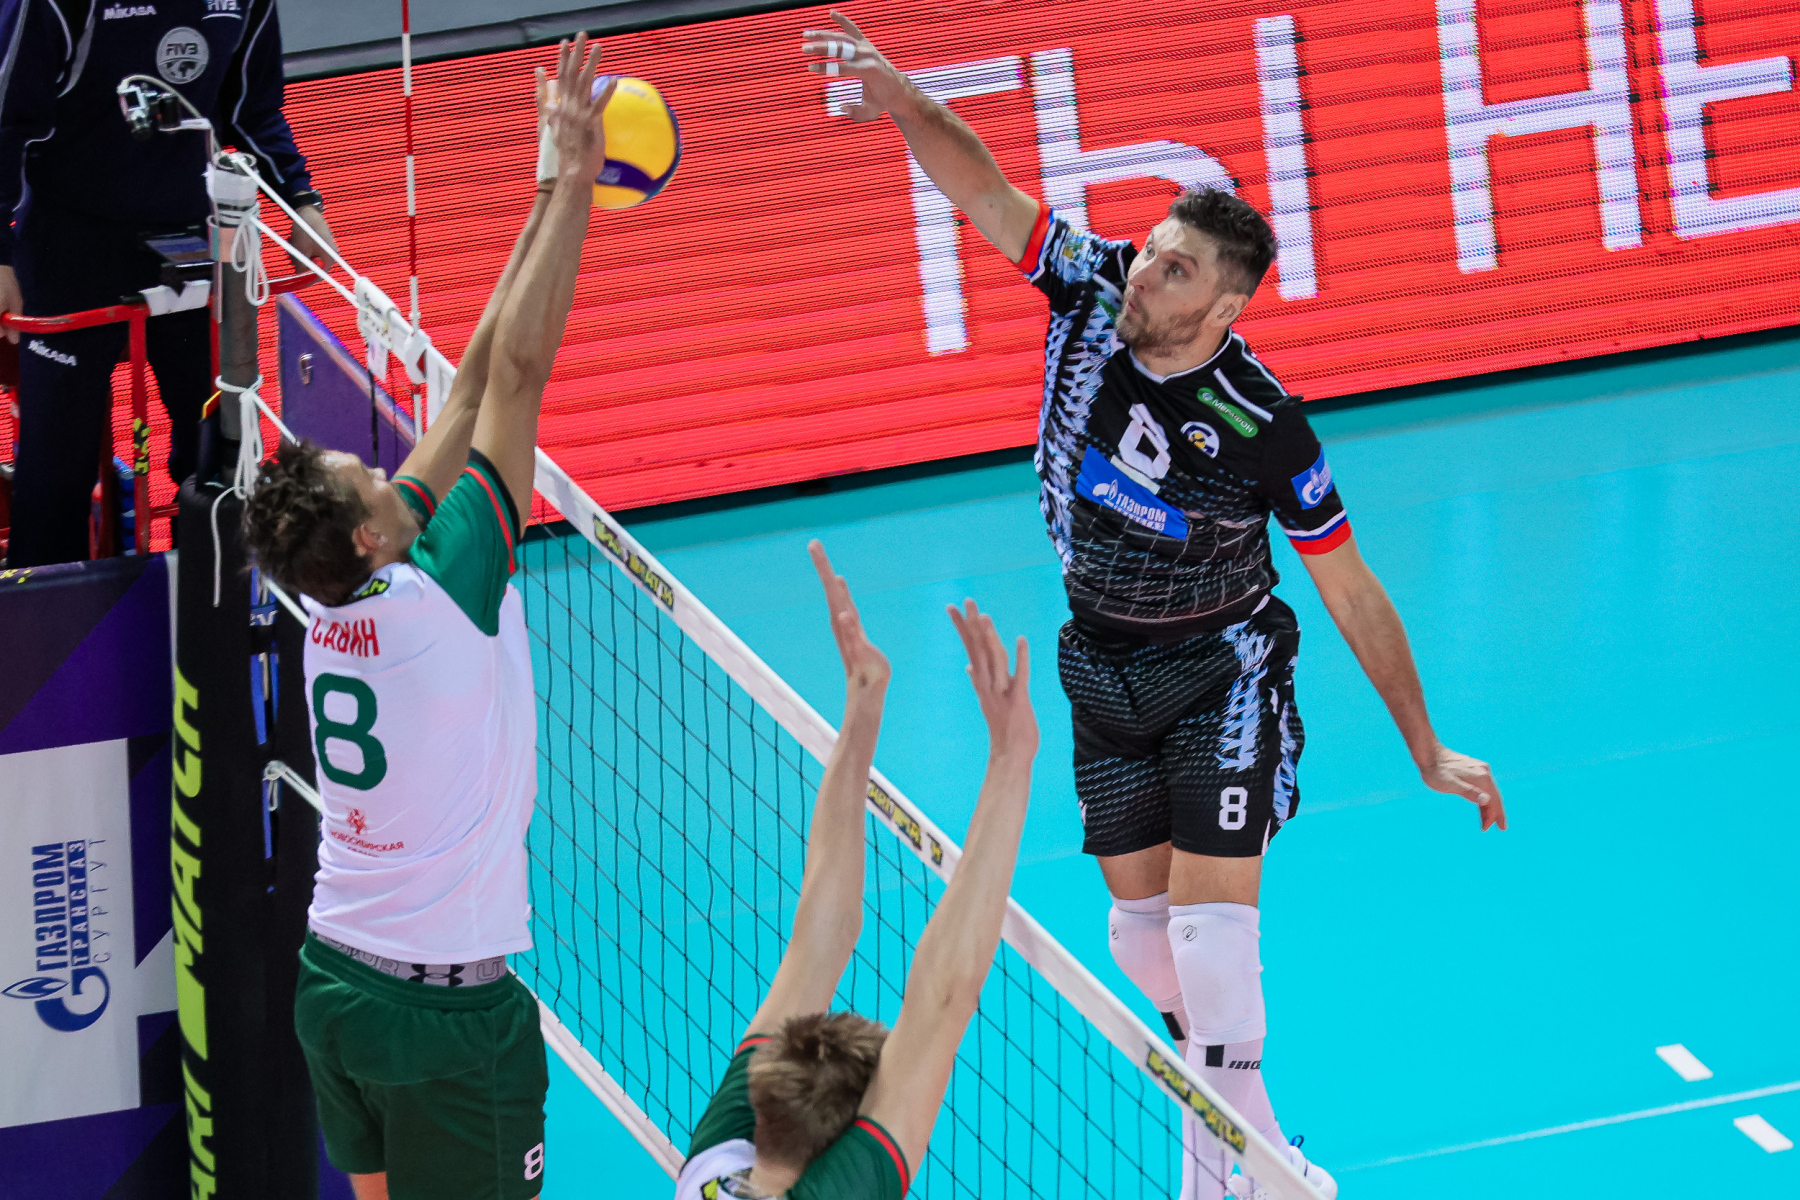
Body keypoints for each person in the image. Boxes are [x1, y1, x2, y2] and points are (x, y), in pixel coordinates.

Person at [798, 13, 1506, 1198]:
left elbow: (1348, 583)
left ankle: (1228, 1179)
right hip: (1099, 661)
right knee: (1139, 942)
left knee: (1208, 941)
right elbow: (987, 192)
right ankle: (1263, 1151)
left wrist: (1424, 745)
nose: (1144, 270)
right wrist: (906, 100)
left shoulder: (1263, 424)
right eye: (1153, 249)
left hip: (1220, 667)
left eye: (1175, 269)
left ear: (1224, 308)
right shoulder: (1088, 286)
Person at [238, 39, 615, 1200]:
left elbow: (469, 388)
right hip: (445, 1024)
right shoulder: (441, 589)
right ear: (370, 534)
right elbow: (520, 378)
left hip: (336, 987)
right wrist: (579, 179)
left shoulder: (329, 605)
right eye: (371, 477)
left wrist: (541, 189)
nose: (387, 471)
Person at [677, 542, 1038, 1199]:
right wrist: (1012, 755)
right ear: (840, 1147)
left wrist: (864, 708)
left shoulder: (713, 1169)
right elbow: (941, 996)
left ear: (763, 1097)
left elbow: (823, 937)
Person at [0, 0, 333, 566]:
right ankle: (47, 614)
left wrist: (301, 198)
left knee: (218, 452)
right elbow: (7, 118)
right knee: (55, 469)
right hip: (69, 244)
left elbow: (252, 107)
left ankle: (212, 599)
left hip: (191, 239)